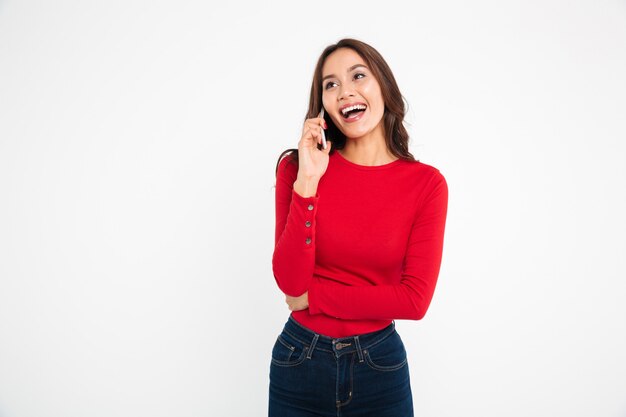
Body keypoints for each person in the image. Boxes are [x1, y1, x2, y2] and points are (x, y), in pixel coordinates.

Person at [269, 38, 448, 417]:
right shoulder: (297, 169)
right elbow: (290, 282)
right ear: (324, 107)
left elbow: (414, 300)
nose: (344, 90)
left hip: (379, 366)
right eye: (330, 84)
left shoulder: (426, 184)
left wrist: (315, 299)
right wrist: (308, 182)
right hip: (298, 361)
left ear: (383, 85)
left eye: (358, 76)